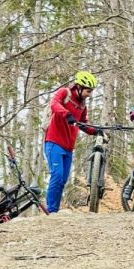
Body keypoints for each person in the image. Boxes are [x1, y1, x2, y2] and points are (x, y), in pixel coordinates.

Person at [43, 71, 99, 212]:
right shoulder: (64, 93)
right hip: (53, 142)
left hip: (68, 147)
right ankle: (51, 211)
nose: (89, 94)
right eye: (88, 91)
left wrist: (96, 131)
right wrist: (66, 114)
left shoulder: (82, 105)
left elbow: (83, 124)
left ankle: (54, 210)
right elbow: (54, 104)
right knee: (57, 175)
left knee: (63, 180)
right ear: (79, 87)